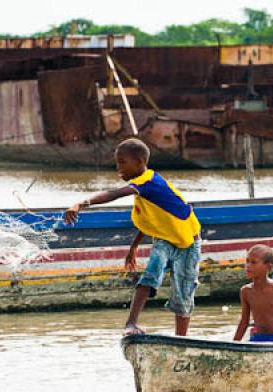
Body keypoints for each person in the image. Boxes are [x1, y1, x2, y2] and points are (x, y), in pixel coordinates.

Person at [63, 138, 201, 336]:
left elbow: (114, 194)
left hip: (188, 244)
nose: (118, 167)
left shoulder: (147, 182)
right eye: (117, 162)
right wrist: (134, 247)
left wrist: (81, 203)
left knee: (184, 290)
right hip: (165, 239)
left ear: (139, 162)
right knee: (151, 273)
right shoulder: (142, 188)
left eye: (122, 162)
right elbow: (151, 221)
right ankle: (131, 324)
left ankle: (182, 338)